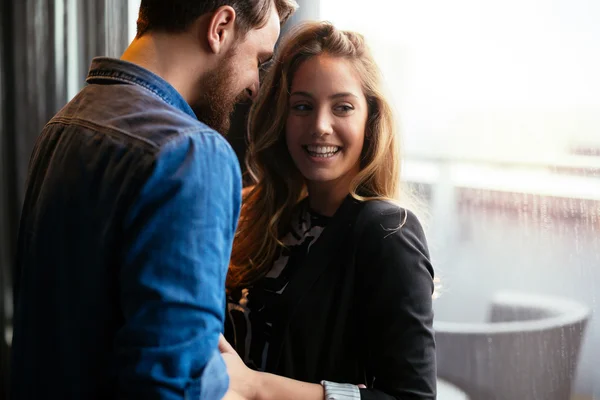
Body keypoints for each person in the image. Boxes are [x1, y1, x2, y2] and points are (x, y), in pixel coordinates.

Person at [10, 1, 297, 399]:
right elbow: (173, 386)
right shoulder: (192, 153)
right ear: (220, 26)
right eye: (258, 58)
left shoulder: (65, 123)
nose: (254, 84)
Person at [221, 21, 437, 400]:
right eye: (302, 106)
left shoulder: (387, 231)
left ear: (370, 120)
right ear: (281, 118)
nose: (320, 126)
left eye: (342, 107)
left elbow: (412, 397)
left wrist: (258, 387)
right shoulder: (263, 214)